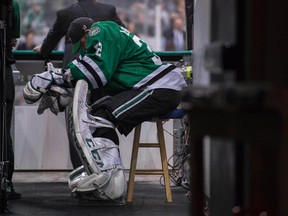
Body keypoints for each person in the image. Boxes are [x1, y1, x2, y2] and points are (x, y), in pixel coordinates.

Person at [23, 17, 187, 203]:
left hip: (160, 88)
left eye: (82, 44)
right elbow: (92, 72)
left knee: (104, 114)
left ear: (86, 32)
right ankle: (107, 174)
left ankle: (111, 179)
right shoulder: (109, 32)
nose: (84, 49)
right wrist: (64, 86)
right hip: (156, 86)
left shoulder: (99, 30)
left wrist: (55, 76)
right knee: (99, 111)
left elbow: (96, 72)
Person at [33, 0, 124, 169]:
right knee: (103, 121)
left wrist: (43, 49)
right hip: (104, 76)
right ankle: (110, 168)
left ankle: (82, 172)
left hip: (77, 75)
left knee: (77, 125)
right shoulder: (108, 10)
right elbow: (124, 35)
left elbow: (48, 46)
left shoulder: (65, 14)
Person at [0, 0, 21, 200]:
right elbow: (13, 40)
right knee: (4, 130)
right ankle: (6, 183)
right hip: (3, 70)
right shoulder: (11, 4)